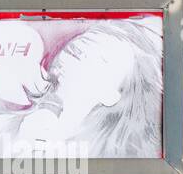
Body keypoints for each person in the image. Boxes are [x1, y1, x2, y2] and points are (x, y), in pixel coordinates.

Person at [11, 19, 164, 158]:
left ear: (111, 96)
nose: (79, 50)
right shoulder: (0, 125)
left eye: (102, 58)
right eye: (83, 42)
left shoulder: (104, 158)